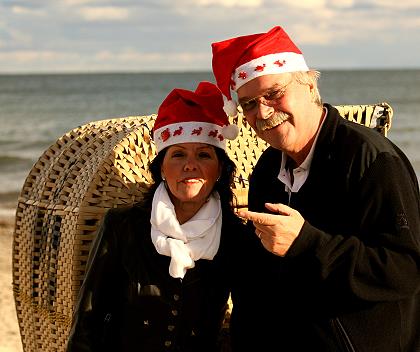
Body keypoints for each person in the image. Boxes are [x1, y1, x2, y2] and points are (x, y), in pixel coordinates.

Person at [211, 26, 420, 351]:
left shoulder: (372, 159)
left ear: (309, 85)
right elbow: (261, 287)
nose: (263, 112)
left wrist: (306, 243)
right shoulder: (266, 170)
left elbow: (405, 271)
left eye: (273, 93)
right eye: (249, 104)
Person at [66, 81, 246, 351]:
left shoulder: (235, 234)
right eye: (178, 154)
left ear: (219, 168)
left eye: (204, 154)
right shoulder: (122, 226)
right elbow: (88, 319)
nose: (190, 165)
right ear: (161, 167)